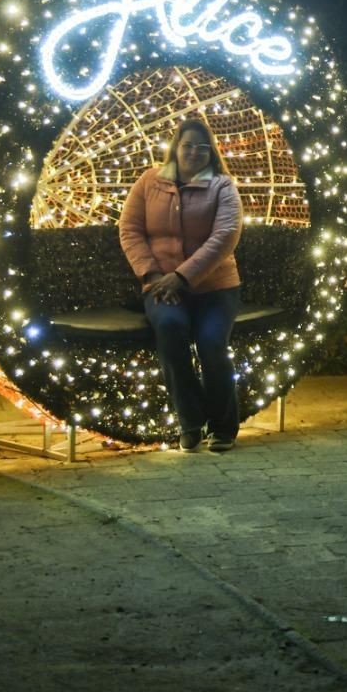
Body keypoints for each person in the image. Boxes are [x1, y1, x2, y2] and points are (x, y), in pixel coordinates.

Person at [118, 118, 244, 454]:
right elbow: (130, 229)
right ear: (175, 146)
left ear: (211, 153)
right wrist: (154, 275)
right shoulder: (149, 182)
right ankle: (190, 423)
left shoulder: (222, 186)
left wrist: (183, 276)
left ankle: (223, 427)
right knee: (170, 329)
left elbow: (225, 237)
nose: (194, 153)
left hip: (215, 288)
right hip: (161, 287)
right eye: (188, 146)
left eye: (202, 148)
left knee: (212, 343)